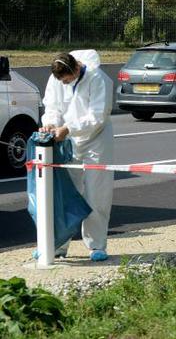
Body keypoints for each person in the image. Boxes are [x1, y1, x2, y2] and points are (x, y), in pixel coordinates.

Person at [39, 50, 114, 262]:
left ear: (77, 68)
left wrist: (68, 128)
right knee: (66, 193)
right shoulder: (56, 79)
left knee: (96, 194)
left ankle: (96, 245)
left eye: (67, 80)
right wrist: (50, 123)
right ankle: (57, 244)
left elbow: (98, 116)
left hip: (96, 140)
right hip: (69, 140)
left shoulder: (98, 79)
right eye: (61, 81)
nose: (65, 84)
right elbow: (52, 105)